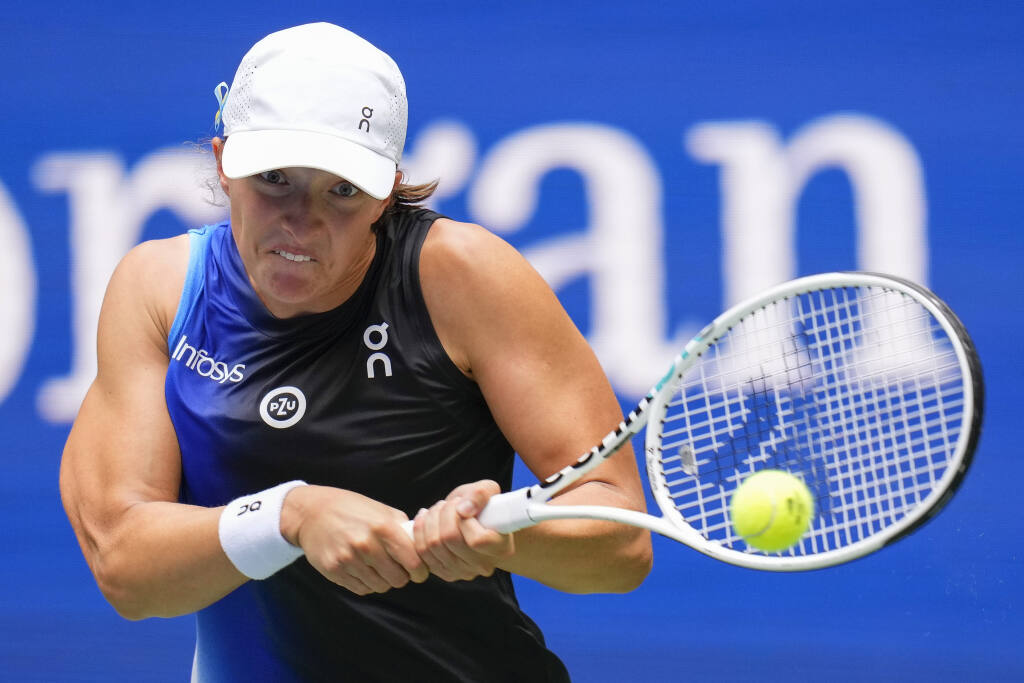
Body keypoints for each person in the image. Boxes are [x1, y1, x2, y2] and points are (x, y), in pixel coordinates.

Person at [59, 22, 651, 682]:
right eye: (275, 178)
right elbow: (124, 566)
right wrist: (290, 514)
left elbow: (622, 541)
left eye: (342, 190)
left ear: (388, 189)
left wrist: (506, 538)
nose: (302, 219)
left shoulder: (463, 277)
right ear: (225, 162)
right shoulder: (160, 290)